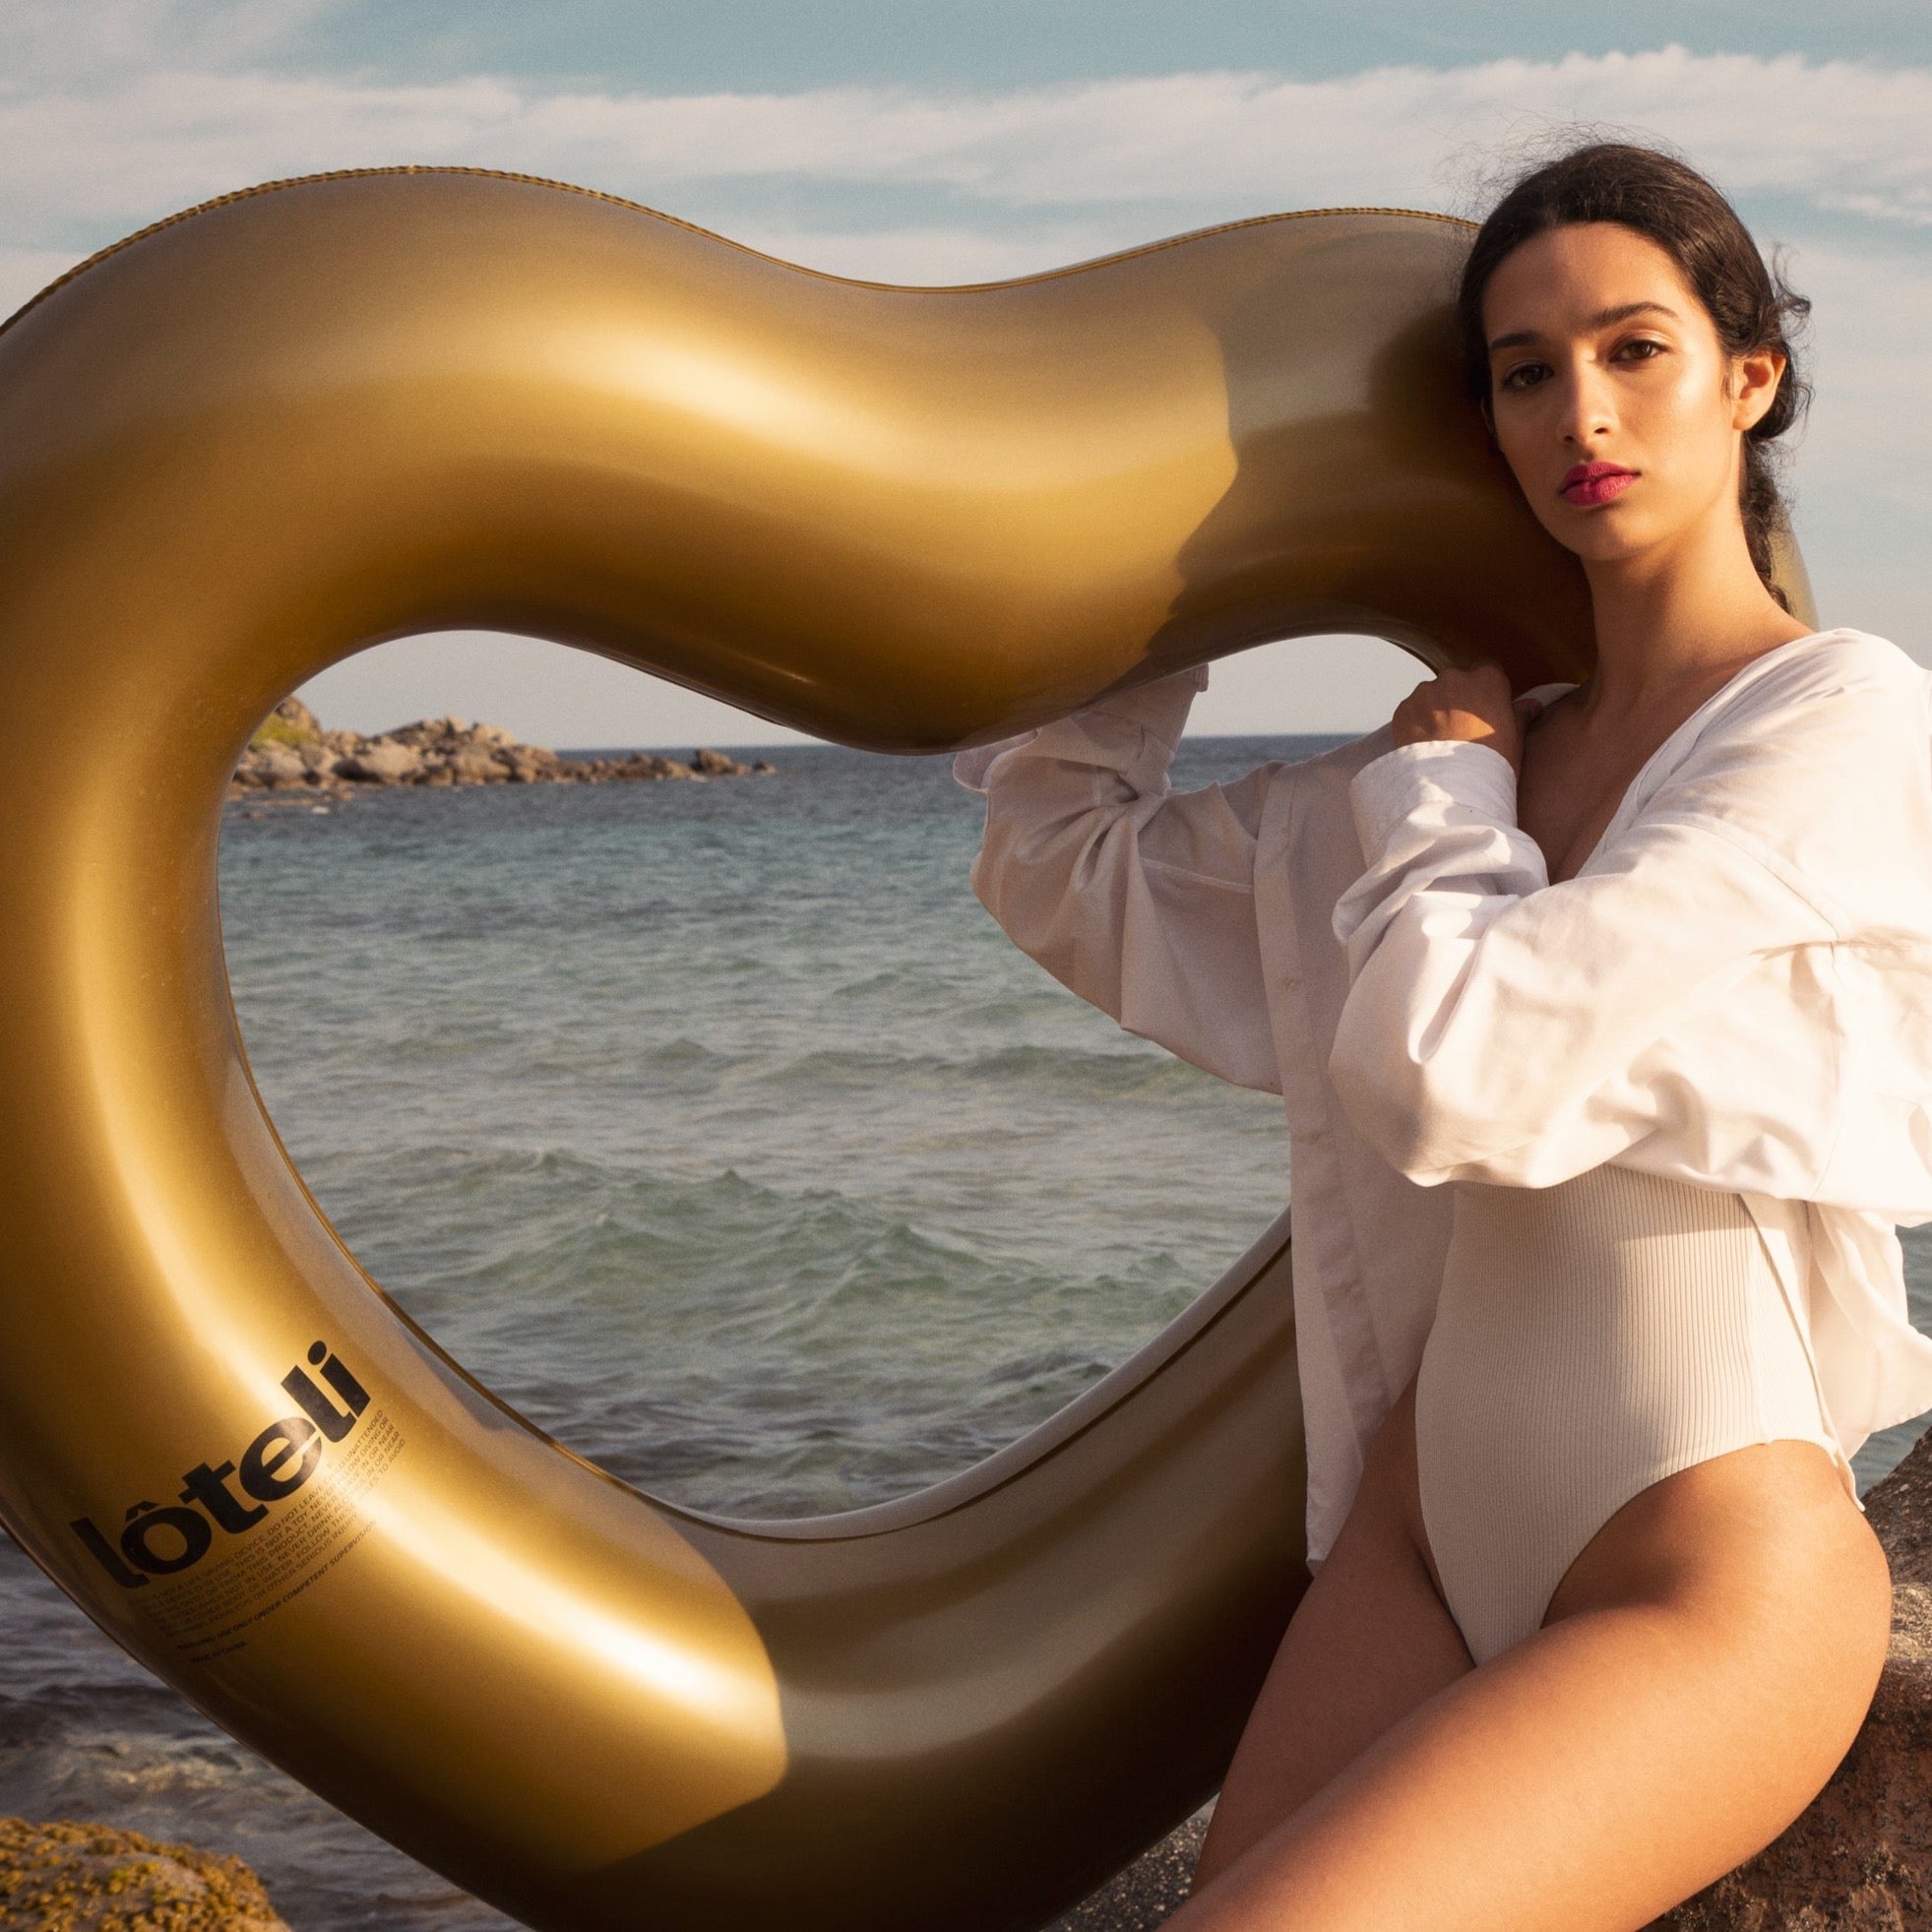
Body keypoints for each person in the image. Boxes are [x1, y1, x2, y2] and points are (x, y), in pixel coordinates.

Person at [954, 141, 1932, 1930]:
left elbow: (1462, 1072)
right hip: (1422, 1534)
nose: (1585, 409)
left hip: (1701, 1573)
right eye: (1523, 370)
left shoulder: (1842, 717)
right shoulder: (1462, 767)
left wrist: (1440, 805)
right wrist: (1198, 563)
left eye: (1638, 350)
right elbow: (1062, 864)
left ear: (1750, 379)